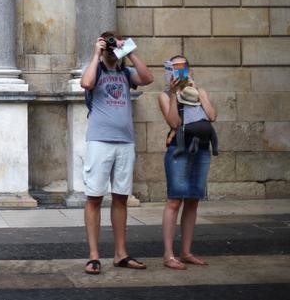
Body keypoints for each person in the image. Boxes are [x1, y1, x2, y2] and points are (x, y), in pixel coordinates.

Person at [80, 31, 154, 275]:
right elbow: (86, 84)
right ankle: (93, 256)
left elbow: (148, 78)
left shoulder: (125, 73)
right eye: (108, 44)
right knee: (94, 197)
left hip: (125, 142)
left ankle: (121, 253)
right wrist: (96, 54)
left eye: (114, 45)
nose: (112, 49)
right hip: (99, 142)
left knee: (121, 196)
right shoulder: (97, 70)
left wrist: (129, 52)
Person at [158, 55, 217, 270]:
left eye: (183, 68)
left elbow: (211, 116)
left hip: (201, 149)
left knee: (193, 200)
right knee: (174, 200)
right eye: (174, 68)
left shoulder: (200, 92)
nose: (179, 72)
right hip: (179, 150)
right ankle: (168, 254)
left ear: (189, 71)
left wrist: (197, 92)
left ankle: (186, 251)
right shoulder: (165, 95)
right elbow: (174, 122)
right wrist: (175, 94)